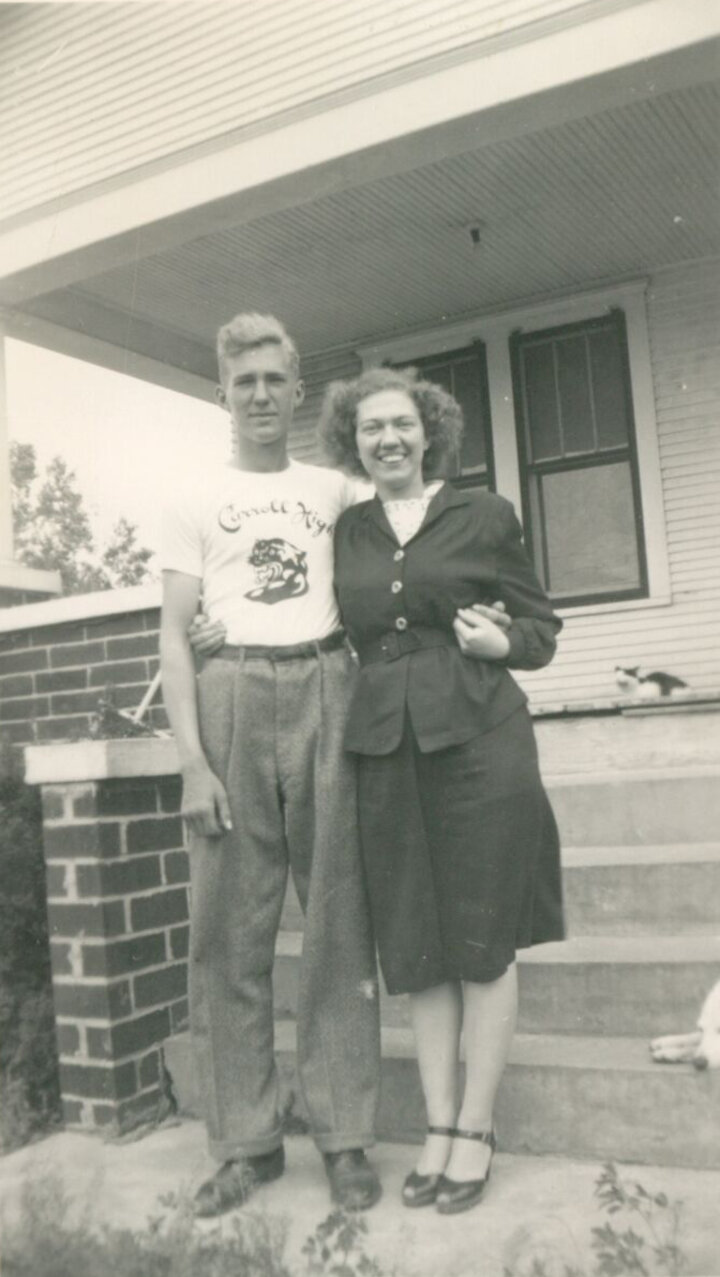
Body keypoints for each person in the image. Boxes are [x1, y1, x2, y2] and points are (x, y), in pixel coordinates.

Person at [317, 365, 565, 1215]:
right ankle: (436, 1122)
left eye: (401, 425)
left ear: (429, 432)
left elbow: (542, 627)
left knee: (484, 935)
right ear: (354, 444)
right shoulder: (344, 530)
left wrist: (505, 644)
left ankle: (478, 1125)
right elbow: (310, 622)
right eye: (369, 430)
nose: (387, 440)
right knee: (417, 939)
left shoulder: (486, 513)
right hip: (386, 749)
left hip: (482, 738)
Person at [159, 314, 381, 1216]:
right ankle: (245, 1143)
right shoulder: (190, 497)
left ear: (297, 391)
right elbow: (175, 638)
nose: (258, 395)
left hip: (327, 685)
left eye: (273, 380)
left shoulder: (334, 489)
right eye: (242, 381)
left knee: (336, 922)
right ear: (223, 393)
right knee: (228, 938)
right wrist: (191, 763)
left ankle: (344, 1137)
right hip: (230, 697)